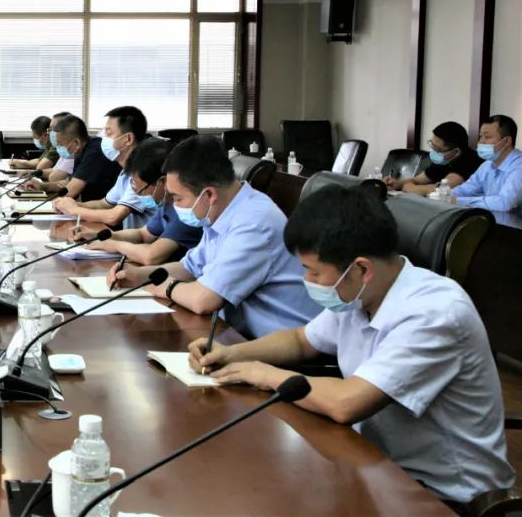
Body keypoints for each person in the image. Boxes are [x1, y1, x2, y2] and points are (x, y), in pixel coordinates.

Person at [188, 185, 515, 508]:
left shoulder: (434, 313)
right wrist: (232, 353)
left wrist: (262, 374)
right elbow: (301, 340)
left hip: (443, 496)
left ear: (361, 268)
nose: (307, 282)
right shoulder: (361, 294)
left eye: (314, 272)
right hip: (371, 461)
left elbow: (347, 402)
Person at [109, 135, 319, 338]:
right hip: (235, 334)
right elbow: (190, 268)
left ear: (209, 194)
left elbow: (203, 300)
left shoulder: (254, 223)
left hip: (278, 346)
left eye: (178, 198)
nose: (175, 205)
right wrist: (138, 275)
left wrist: (157, 286)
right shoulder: (221, 212)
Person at [72, 138, 202, 264]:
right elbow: (142, 234)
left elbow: (151, 256)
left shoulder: (185, 209)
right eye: (133, 184)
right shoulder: (166, 204)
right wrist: (97, 235)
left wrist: (115, 245)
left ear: (162, 182)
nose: (137, 192)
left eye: (141, 187)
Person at [52, 106, 155, 229]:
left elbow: (113, 217)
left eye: (108, 133)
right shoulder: (125, 172)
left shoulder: (141, 173)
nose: (103, 138)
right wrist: (72, 205)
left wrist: (74, 210)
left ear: (128, 139)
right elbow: (104, 204)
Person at [22, 114, 120, 202]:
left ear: (76, 142)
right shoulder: (80, 150)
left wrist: (49, 204)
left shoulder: (94, 151)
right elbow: (69, 182)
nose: (58, 147)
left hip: (102, 210)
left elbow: (71, 190)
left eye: (60, 144)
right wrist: (43, 186)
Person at [384, 121, 483, 196]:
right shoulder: (444, 159)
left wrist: (412, 188)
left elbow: (444, 189)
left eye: (438, 149)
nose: (434, 152)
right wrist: (395, 183)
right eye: (432, 145)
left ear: (456, 151)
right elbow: (417, 180)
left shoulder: (470, 161)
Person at [451, 115, 522, 212]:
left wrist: (458, 201)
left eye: (487, 137)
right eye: (481, 136)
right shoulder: (487, 165)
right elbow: (465, 189)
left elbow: (505, 203)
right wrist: (443, 196)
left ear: (507, 141)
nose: (481, 141)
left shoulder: (519, 166)